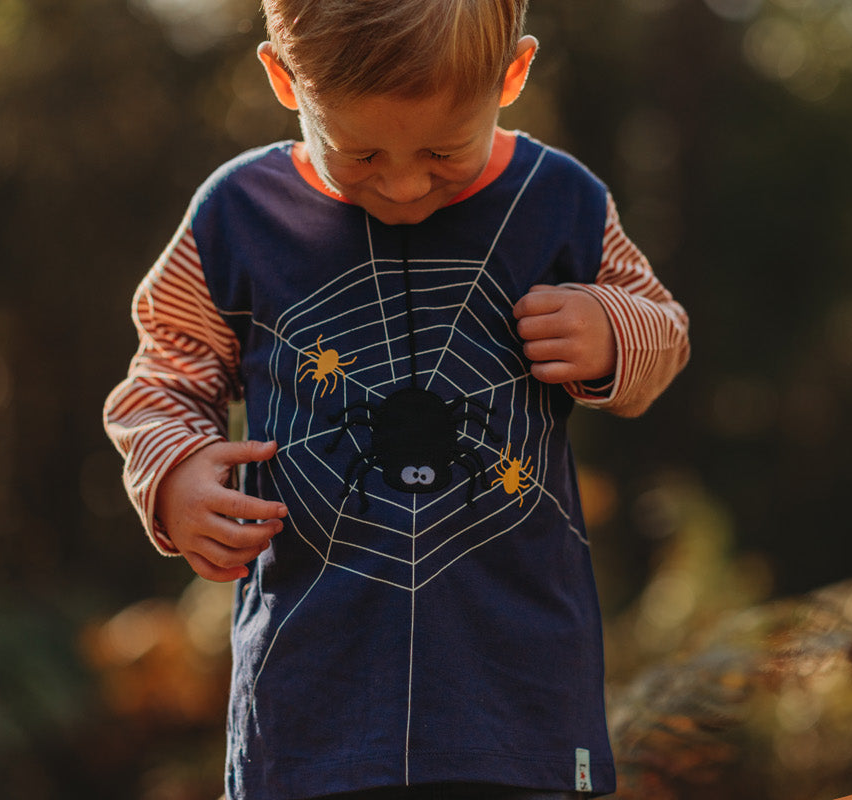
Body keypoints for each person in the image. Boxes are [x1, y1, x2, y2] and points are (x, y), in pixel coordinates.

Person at [103, 1, 689, 797]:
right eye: (363, 153)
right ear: (283, 78)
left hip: (519, 705)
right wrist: (174, 474)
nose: (406, 183)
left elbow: (665, 332)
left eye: (444, 153)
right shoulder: (238, 216)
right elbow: (164, 376)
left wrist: (614, 331)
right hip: (309, 707)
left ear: (512, 74)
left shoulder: (561, 203)